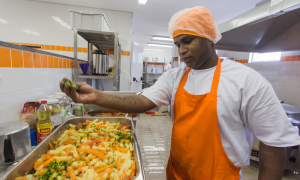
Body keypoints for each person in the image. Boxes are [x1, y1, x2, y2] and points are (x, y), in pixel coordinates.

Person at [60, 6, 300, 180]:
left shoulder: (246, 80)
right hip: (176, 173)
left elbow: (274, 143)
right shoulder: (176, 76)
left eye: (188, 41)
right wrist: (96, 97)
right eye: (178, 44)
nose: (182, 51)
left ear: (209, 39)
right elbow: (143, 100)